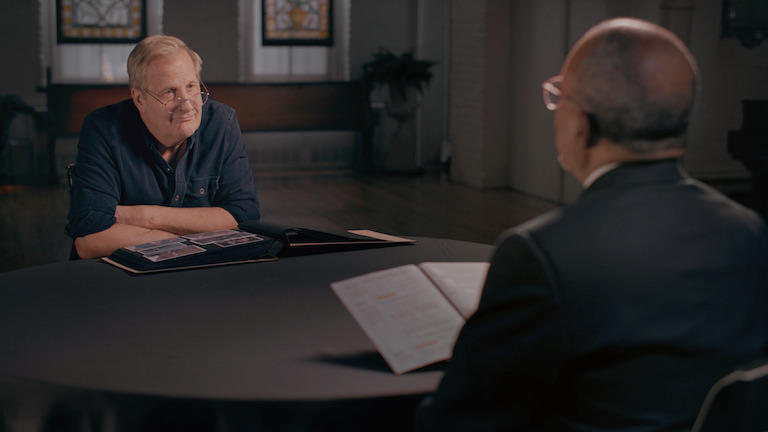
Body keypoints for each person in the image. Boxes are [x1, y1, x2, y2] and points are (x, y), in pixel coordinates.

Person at [415, 18, 768, 431]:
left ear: (581, 123)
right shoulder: (748, 232)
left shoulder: (541, 254)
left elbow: (459, 420)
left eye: (558, 96)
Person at [66, 35, 260, 259]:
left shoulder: (221, 122)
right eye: (169, 92)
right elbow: (89, 237)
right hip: (120, 282)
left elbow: (244, 216)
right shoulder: (103, 128)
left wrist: (143, 217)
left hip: (204, 277)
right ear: (139, 99)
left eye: (191, 86)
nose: (187, 104)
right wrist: (201, 237)